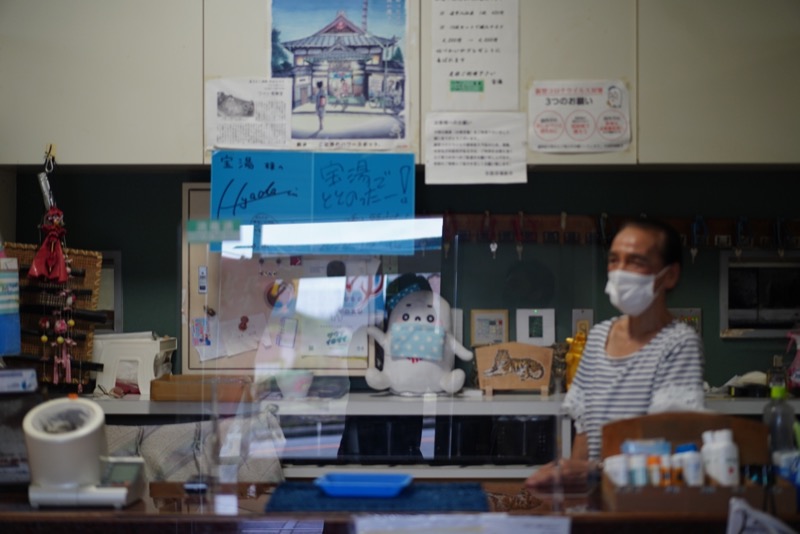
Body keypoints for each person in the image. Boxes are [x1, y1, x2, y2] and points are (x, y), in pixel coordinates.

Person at [526, 217, 705, 488]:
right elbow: (584, 430)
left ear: (670, 275)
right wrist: (575, 487)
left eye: (635, 261)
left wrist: (592, 472)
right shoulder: (599, 336)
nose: (620, 271)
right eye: (614, 260)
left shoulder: (679, 343)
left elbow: (669, 444)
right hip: (599, 497)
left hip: (647, 499)